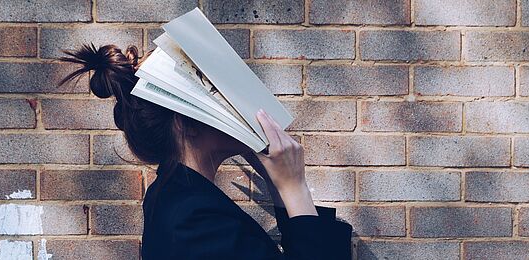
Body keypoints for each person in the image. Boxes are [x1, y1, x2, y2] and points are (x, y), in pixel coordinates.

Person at [58, 43, 353, 259]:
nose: (235, 104)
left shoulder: (181, 200)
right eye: (216, 95)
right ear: (186, 123)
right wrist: (295, 187)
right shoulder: (193, 220)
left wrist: (280, 186)